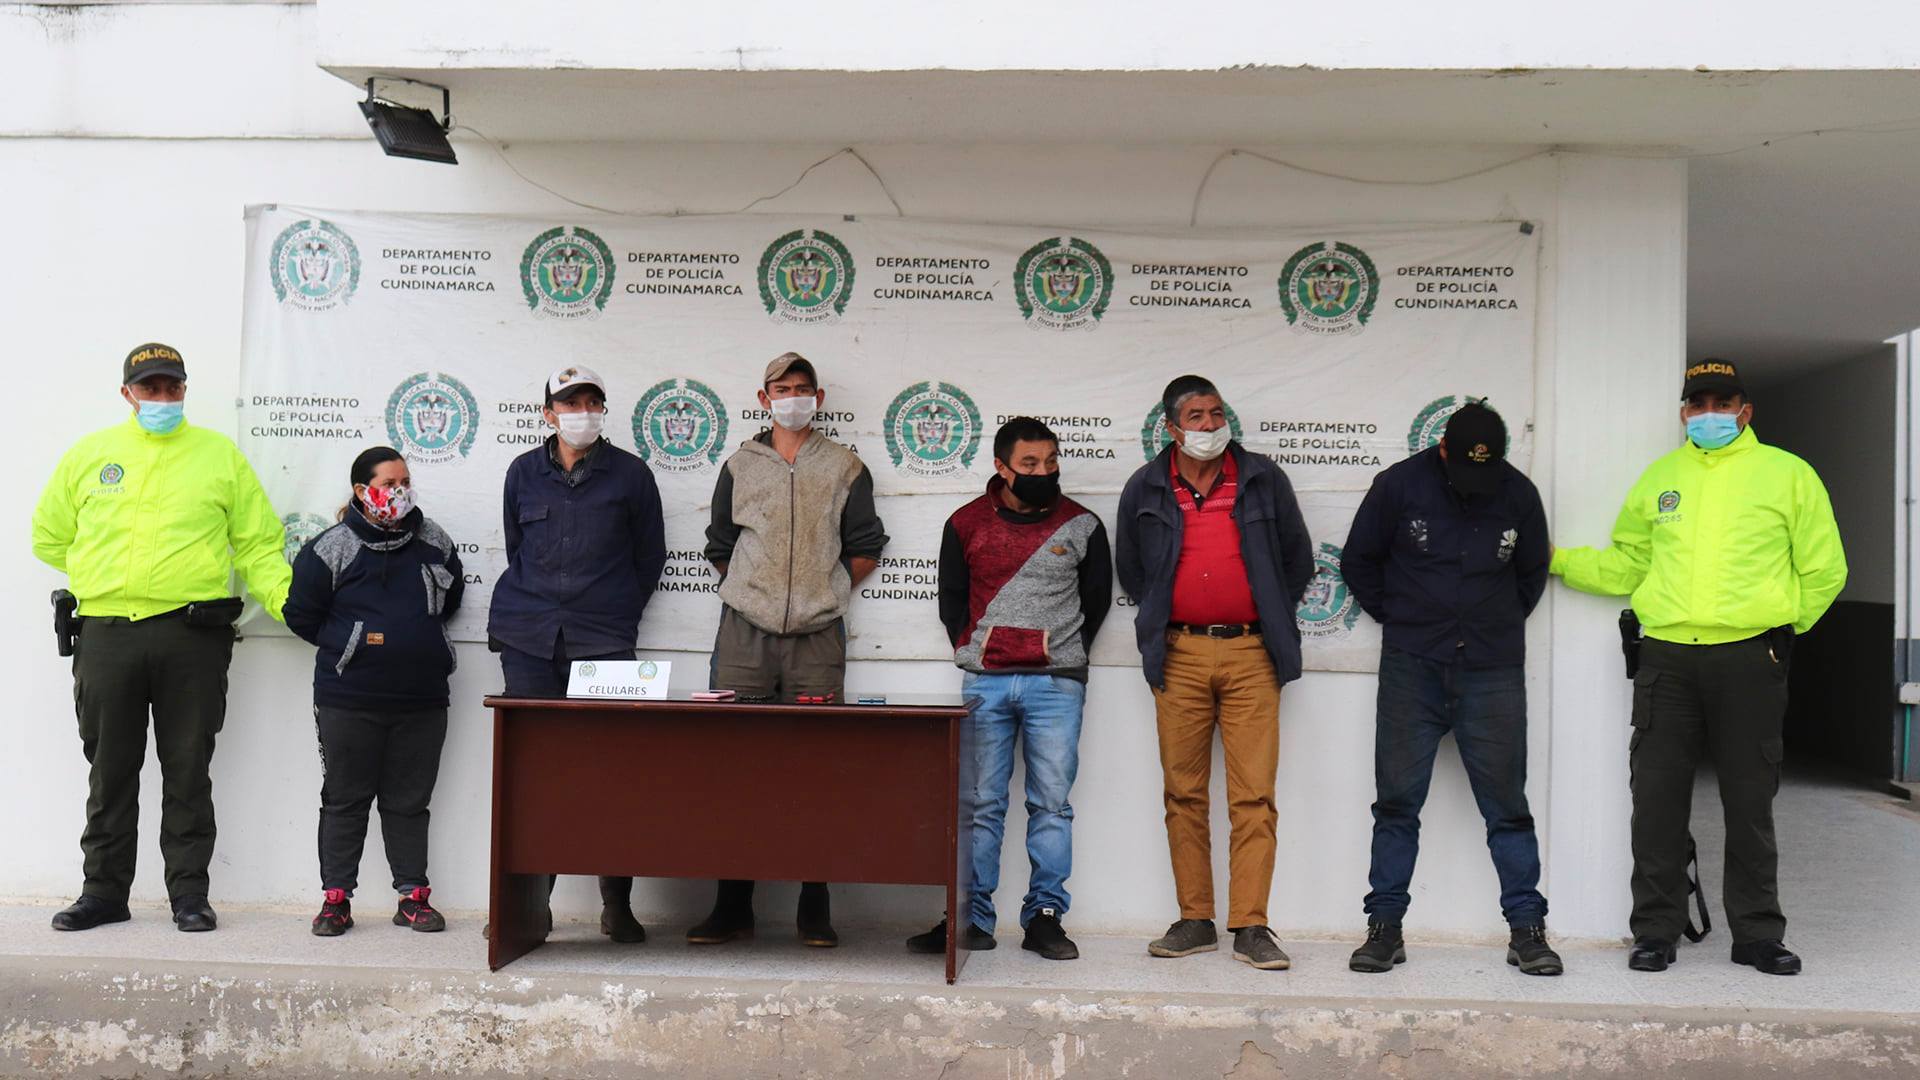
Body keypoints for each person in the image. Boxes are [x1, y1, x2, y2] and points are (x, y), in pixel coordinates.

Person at [1552, 359, 1845, 976]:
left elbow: (1825, 570)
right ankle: (1656, 931)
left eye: (1722, 403)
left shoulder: (1788, 475)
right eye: (1698, 403)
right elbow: (1629, 564)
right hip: (1667, 661)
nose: (1710, 413)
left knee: (1749, 802)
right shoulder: (1661, 477)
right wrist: (1554, 559)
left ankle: (1758, 935)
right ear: (1684, 412)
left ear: (1745, 410)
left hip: (1749, 659)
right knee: (1656, 802)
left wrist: (1780, 630)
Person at [31, 343, 292, 933]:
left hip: (190, 636)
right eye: (150, 387)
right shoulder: (91, 455)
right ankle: (103, 893)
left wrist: (289, 603)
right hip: (107, 635)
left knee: (188, 768)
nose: (162, 397)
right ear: (127, 393)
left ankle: (190, 896)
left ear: (184, 390)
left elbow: (257, 543)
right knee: (110, 770)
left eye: (172, 387)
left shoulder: (218, 457)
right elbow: (48, 535)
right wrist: (106, 575)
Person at [1339, 402, 1562, 976]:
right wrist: (1404, 617)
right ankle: (1384, 929)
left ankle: (1528, 931)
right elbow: (1359, 560)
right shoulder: (1398, 486)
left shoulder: (1519, 493)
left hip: (1492, 670)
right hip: (1412, 667)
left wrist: (1492, 622)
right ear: (1442, 450)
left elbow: (1531, 573)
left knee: (1508, 808)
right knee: (1396, 804)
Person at [1115, 375, 1314, 971]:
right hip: (1179, 654)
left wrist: (1265, 609)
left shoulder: (1263, 479)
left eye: (1216, 414)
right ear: (1171, 428)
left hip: (1252, 653)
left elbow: (1296, 561)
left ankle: (1251, 926)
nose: (1209, 426)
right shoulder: (1146, 485)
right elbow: (1132, 568)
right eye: (1196, 417)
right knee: (1183, 793)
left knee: (1254, 796)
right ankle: (1195, 919)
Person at [695, 351, 889, 948]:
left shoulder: (845, 466)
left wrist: (821, 594)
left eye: (803, 388)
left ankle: (814, 905)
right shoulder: (739, 464)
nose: (793, 397)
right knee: (735, 768)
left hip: (817, 636)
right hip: (743, 635)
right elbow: (720, 545)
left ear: (819, 399)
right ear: (764, 399)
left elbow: (865, 546)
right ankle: (732, 905)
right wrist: (751, 593)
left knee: (818, 768)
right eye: (782, 389)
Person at [906, 417, 1112, 961]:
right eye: (1030, 464)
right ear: (1001, 467)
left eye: (1051, 461)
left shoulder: (1083, 524)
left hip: (1056, 686)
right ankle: (970, 919)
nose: (1044, 472)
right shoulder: (965, 522)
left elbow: (1096, 602)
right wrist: (976, 651)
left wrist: (1061, 656)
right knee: (979, 804)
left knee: (1051, 805)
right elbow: (952, 599)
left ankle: (1045, 918)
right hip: (985, 685)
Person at [487, 365, 667, 943]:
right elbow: (516, 548)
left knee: (612, 773)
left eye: (591, 402)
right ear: (549, 414)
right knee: (532, 777)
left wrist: (612, 611)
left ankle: (617, 906)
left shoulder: (631, 475)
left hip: (604, 642)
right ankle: (528, 908)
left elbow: (650, 558)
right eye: (569, 403)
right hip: (529, 640)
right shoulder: (522, 472)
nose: (581, 412)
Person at [285, 447, 463, 937]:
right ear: (362, 491)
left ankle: (413, 897)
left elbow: (452, 598)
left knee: (409, 801)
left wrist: (414, 641)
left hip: (422, 699)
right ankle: (336, 901)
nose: (400, 491)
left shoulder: (434, 540)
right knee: (345, 799)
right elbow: (300, 614)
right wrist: (354, 643)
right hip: (348, 700)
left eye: (405, 481)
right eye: (389, 483)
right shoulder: (331, 547)